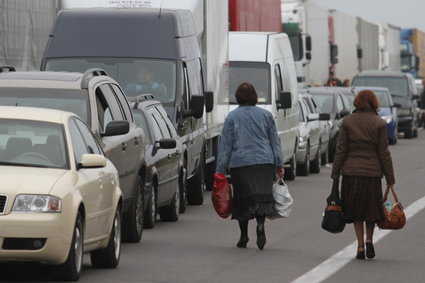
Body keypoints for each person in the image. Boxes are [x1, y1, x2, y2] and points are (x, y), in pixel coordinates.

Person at [215, 82, 285, 250]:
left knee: (242, 199)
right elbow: (275, 141)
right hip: (264, 162)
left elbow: (226, 145)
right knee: (262, 196)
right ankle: (260, 225)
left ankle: (244, 236)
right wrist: (279, 164)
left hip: (241, 163)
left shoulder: (232, 117)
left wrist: (220, 170)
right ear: (255, 96)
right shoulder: (266, 115)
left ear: (238, 97)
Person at [331, 89, 395, 260]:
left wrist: (335, 172)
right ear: (374, 103)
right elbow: (384, 153)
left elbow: (341, 149)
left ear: (357, 102)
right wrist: (390, 178)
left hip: (351, 173)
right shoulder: (379, 123)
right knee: (371, 210)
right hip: (372, 174)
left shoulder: (347, 122)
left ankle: (359, 246)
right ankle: (369, 240)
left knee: (355, 210)